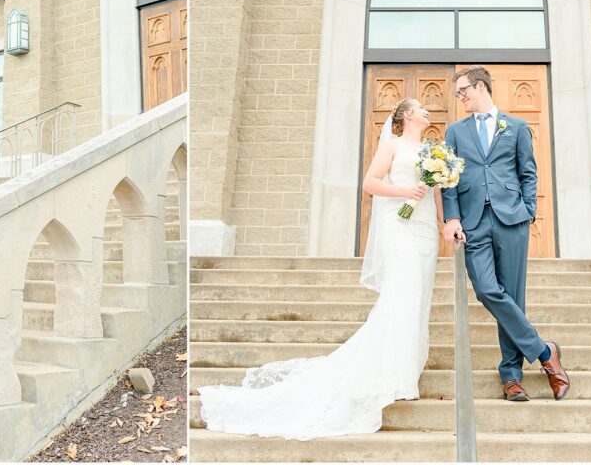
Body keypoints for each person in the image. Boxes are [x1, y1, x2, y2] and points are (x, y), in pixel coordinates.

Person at [197, 98, 442, 439]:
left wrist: (444, 222)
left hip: (425, 227)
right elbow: (370, 183)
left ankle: (405, 372)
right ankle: (393, 377)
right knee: (403, 295)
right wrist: (404, 191)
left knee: (418, 300)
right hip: (399, 226)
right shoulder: (392, 146)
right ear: (407, 115)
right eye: (420, 107)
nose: (427, 109)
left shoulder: (432, 149)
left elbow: (435, 190)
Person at [441, 65, 569, 402]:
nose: (461, 97)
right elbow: (449, 178)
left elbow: (528, 172)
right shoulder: (455, 131)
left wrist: (528, 210)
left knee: (513, 295)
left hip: (512, 220)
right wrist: (451, 217)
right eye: (458, 92)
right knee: (487, 290)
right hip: (473, 223)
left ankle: (511, 377)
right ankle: (545, 352)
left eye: (463, 90)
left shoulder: (516, 127)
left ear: (480, 87)